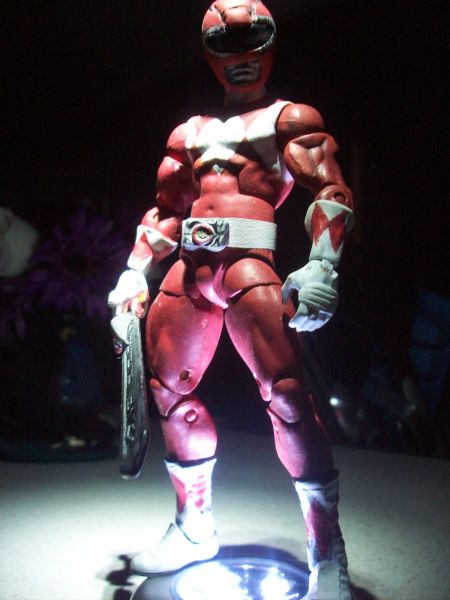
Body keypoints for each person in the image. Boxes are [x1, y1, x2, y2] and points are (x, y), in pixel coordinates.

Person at [108, 2, 354, 598]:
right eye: (225, 43)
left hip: (248, 266)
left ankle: (327, 553)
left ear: (272, 43)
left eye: (252, 39)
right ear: (207, 52)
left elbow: (330, 189)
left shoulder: (289, 119)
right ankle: (195, 529)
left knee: (287, 398)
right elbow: (166, 212)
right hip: (189, 269)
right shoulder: (189, 133)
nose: (240, 56)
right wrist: (134, 271)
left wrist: (323, 263)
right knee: (168, 394)